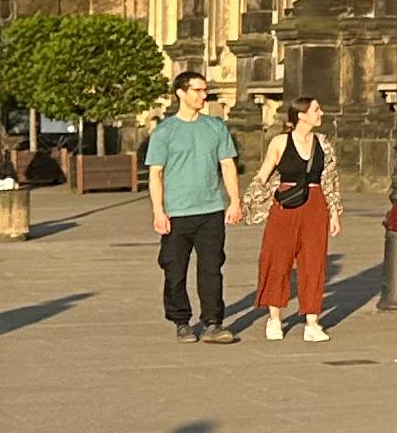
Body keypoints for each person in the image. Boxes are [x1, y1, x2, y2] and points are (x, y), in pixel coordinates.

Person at [145, 70, 242, 342]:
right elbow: (156, 174)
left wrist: (235, 201)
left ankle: (213, 322)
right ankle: (181, 321)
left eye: (204, 90)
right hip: (177, 213)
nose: (203, 95)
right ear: (181, 93)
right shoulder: (165, 132)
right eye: (197, 90)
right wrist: (158, 211)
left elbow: (227, 165)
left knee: (212, 269)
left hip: (211, 210)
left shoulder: (215, 127)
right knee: (174, 270)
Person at [249, 95, 341, 341]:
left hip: (315, 204)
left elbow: (330, 180)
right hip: (285, 206)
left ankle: (312, 321)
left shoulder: (323, 143)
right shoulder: (280, 142)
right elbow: (263, 175)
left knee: (314, 262)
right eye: (316, 109)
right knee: (277, 259)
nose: (321, 113)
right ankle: (274, 318)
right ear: (301, 115)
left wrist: (334, 212)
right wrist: (248, 204)